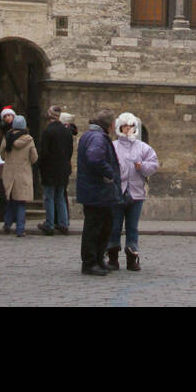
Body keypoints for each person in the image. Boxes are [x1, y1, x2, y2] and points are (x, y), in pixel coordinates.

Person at [107, 112, 159, 271]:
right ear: (119, 128)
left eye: (130, 126)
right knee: (114, 226)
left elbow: (154, 165)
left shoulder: (143, 147)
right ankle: (112, 257)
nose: (128, 129)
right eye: (124, 127)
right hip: (117, 192)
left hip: (136, 192)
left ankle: (132, 257)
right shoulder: (113, 146)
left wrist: (141, 166)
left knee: (132, 227)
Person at [76, 109, 121, 275]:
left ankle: (98, 259)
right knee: (94, 227)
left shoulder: (91, 135)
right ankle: (89, 262)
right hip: (97, 190)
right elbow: (95, 158)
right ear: (109, 124)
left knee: (104, 225)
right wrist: (110, 173)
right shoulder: (97, 138)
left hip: (96, 190)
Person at [37, 105, 74, 235]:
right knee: (60, 197)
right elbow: (70, 151)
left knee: (49, 197)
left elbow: (44, 152)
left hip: (50, 169)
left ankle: (50, 224)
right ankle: (63, 224)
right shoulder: (66, 131)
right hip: (63, 169)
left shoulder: (48, 131)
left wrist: (39, 166)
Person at [0, 114, 38, 237]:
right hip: (23, 173)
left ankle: (7, 224)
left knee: (10, 200)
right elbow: (34, 157)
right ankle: (20, 229)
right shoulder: (29, 139)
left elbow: (2, 154)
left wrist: (9, 158)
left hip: (9, 172)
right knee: (21, 202)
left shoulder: (7, 137)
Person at [0, 106, 15, 224]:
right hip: (4, 160)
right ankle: (2, 214)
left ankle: (13, 215)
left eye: (9, 115)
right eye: (5, 116)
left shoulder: (19, 129)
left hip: (15, 162)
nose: (8, 118)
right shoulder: (0, 129)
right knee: (3, 187)